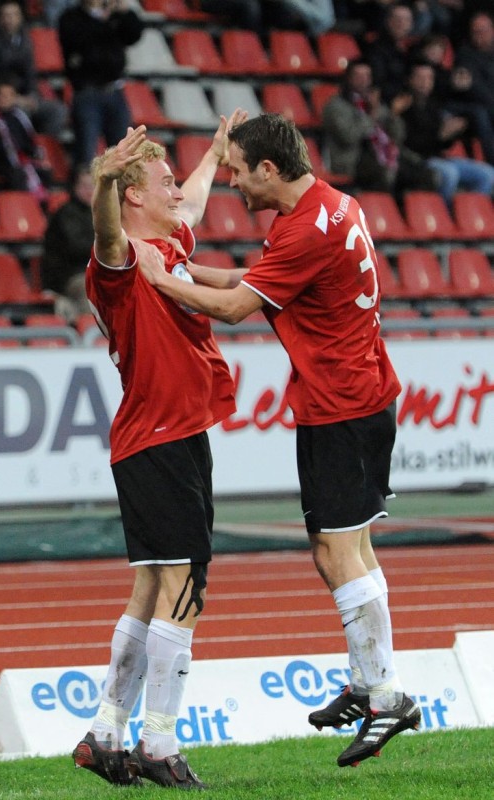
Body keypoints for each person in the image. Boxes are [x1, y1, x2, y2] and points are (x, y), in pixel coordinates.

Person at [137, 112, 422, 770]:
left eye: (238, 171)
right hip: (357, 395)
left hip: (341, 403)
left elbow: (238, 307)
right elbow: (259, 278)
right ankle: (369, 681)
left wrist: (161, 279)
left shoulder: (302, 230)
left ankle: (386, 697)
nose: (232, 183)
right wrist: (188, 265)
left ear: (268, 168)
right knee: (344, 546)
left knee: (337, 551)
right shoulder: (328, 206)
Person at [71, 111, 244, 788]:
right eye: (164, 183)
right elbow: (106, 233)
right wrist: (103, 183)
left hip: (169, 436)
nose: (178, 192)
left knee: (151, 586)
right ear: (134, 196)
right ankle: (160, 742)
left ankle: (105, 733)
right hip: (159, 439)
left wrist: (214, 155)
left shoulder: (168, 247)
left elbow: (192, 201)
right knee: (184, 585)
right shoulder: (118, 263)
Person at [322, 58, 438, 196]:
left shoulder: (375, 103)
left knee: (427, 174)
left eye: (367, 76)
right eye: (358, 76)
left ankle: (409, 207)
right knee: (385, 173)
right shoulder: (336, 106)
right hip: (354, 159)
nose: (363, 81)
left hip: (384, 155)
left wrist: (393, 115)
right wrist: (371, 116)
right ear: (348, 78)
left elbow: (398, 136)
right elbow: (349, 137)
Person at [58, 0, 144, 169]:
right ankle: (83, 184)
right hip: (87, 92)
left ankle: (119, 185)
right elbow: (80, 41)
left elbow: (133, 35)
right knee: (86, 153)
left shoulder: (114, 16)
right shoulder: (71, 18)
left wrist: (126, 13)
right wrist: (101, 19)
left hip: (115, 90)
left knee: (124, 151)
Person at [399, 60, 494, 207]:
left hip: (439, 157)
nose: (425, 82)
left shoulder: (434, 104)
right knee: (450, 174)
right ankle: (444, 213)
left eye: (429, 78)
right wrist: (439, 135)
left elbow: (443, 143)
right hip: (417, 160)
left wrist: (452, 133)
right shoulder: (402, 107)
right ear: (410, 80)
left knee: (487, 174)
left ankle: (470, 212)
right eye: (420, 77)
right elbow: (407, 143)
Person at [0, 1, 68, 138]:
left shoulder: (25, 37)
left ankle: (44, 145)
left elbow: (30, 72)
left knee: (57, 110)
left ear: (20, 17)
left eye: (14, 15)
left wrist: (32, 95)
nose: (10, 19)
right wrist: (13, 98)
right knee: (21, 112)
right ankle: (24, 148)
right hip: (2, 95)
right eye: (6, 15)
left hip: (24, 95)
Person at [0, 81, 51, 205]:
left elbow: (28, 142)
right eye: (2, 95)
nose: (6, 98)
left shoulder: (18, 117)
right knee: (18, 173)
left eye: (10, 95)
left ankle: (42, 208)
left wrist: (35, 155)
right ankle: (22, 207)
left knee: (44, 171)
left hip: (17, 160)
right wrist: (8, 152)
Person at [40, 165, 94, 322]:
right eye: (84, 186)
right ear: (74, 187)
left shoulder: (101, 212)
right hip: (69, 276)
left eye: (93, 186)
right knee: (91, 287)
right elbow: (76, 248)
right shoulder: (65, 214)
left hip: (95, 271)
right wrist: (108, 249)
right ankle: (90, 330)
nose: (90, 191)